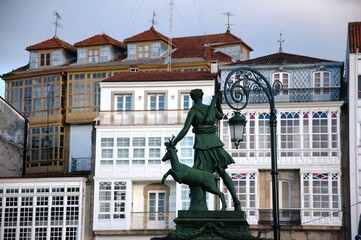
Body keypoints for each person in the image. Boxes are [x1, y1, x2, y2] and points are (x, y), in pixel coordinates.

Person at [170, 88, 241, 210]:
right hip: (214, 142)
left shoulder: (193, 111)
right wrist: (217, 102)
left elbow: (185, 130)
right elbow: (220, 115)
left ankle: (197, 205)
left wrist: (174, 142)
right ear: (202, 97)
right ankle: (236, 202)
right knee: (222, 172)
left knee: (196, 175)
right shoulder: (210, 108)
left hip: (202, 144)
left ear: (192, 99)